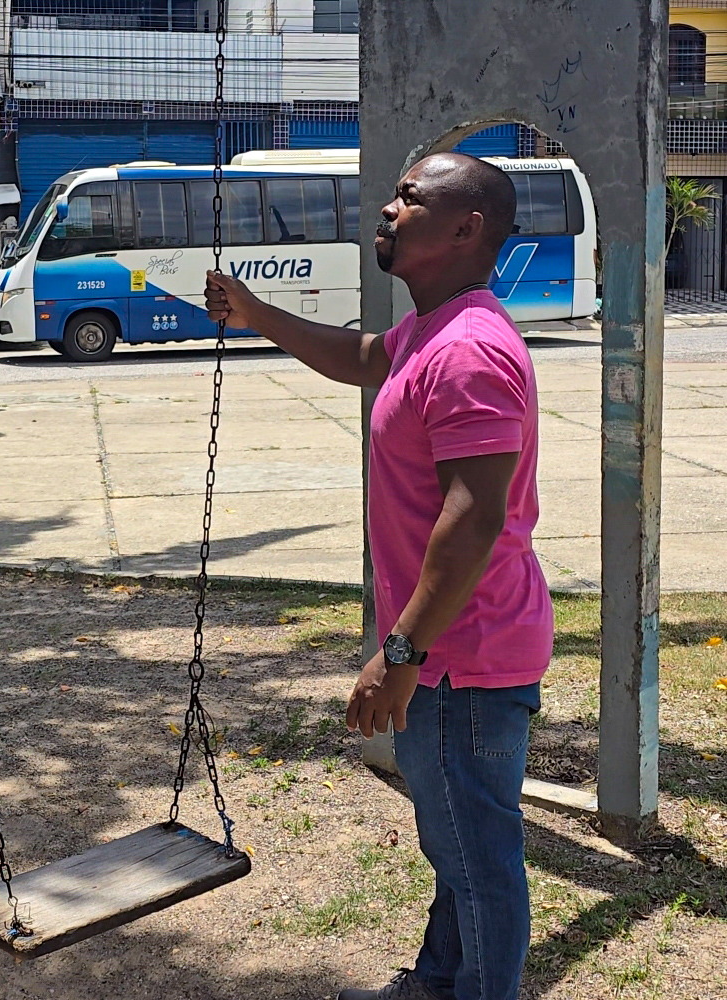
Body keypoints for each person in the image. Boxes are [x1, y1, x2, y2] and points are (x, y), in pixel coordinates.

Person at [204, 152, 553, 1000]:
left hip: (460, 654)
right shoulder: (429, 331)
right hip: (454, 647)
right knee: (458, 841)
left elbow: (473, 520)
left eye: (409, 199)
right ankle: (439, 982)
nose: (388, 210)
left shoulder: (469, 351)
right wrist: (259, 315)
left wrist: (400, 651)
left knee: (480, 860)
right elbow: (362, 356)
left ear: (466, 227)